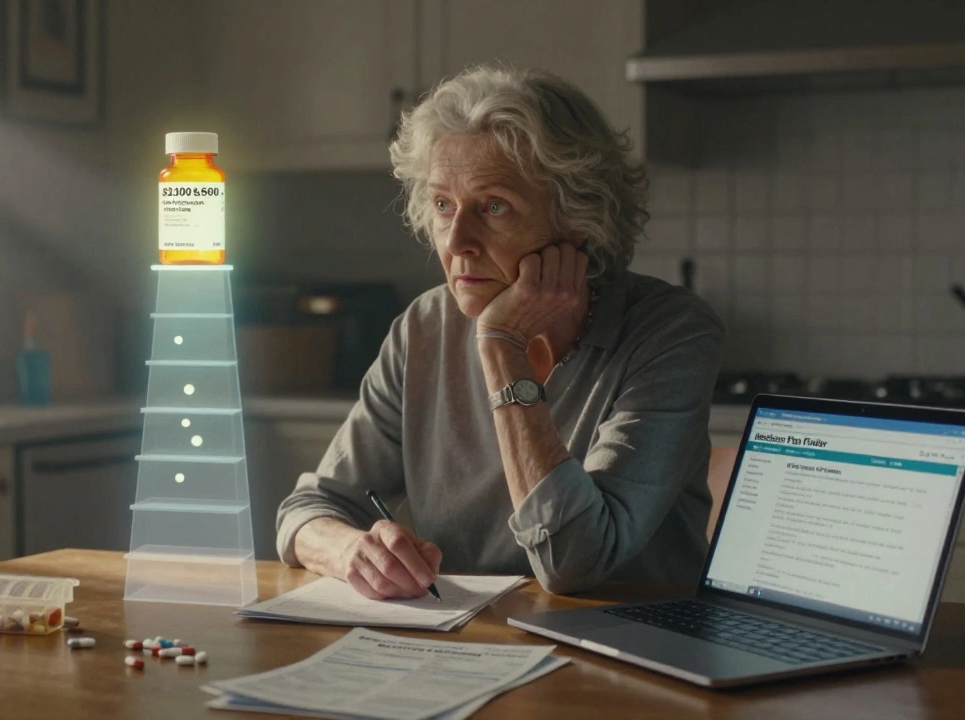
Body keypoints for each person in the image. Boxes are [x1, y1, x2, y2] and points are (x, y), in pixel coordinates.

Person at [275, 65, 725, 599]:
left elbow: (576, 561)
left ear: (578, 217)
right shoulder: (424, 327)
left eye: (494, 207)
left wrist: (500, 347)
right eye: (443, 205)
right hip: (470, 646)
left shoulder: (670, 332)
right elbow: (307, 512)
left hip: (632, 656)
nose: (457, 239)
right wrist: (353, 551)